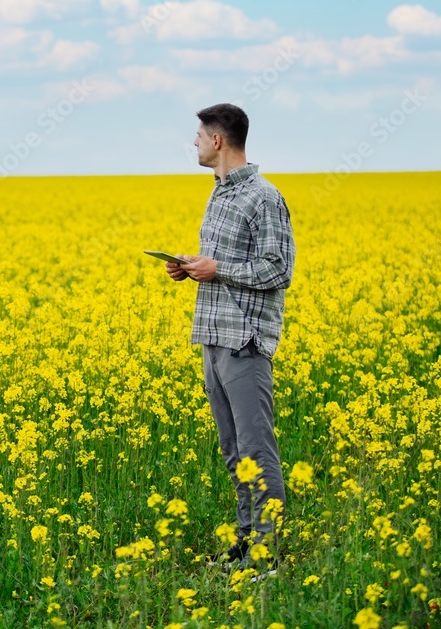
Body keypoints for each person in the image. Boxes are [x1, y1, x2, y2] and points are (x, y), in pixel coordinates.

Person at [165, 103, 296, 574]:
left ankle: (266, 556)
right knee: (233, 450)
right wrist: (192, 268)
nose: (195, 143)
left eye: (199, 135)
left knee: (256, 449)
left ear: (218, 140)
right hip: (213, 334)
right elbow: (224, 266)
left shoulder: (264, 197)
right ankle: (246, 542)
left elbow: (278, 269)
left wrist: (217, 269)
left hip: (245, 340)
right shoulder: (218, 194)